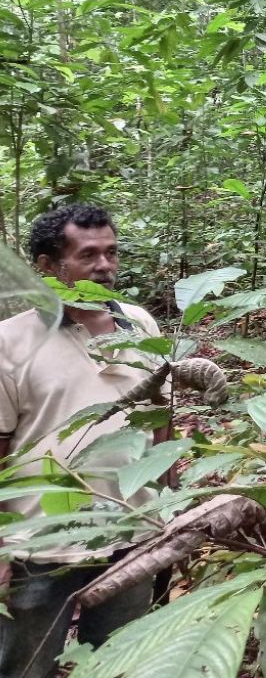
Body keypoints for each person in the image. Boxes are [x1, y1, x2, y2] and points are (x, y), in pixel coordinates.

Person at [0, 204, 167, 678]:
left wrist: (169, 510)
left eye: (111, 253)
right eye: (88, 254)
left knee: (118, 664)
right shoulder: (10, 341)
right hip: (40, 545)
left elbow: (159, 424)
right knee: (25, 667)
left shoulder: (140, 325)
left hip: (130, 536)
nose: (105, 266)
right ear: (48, 266)